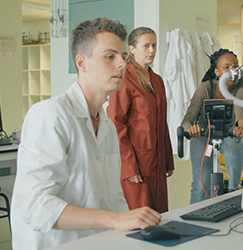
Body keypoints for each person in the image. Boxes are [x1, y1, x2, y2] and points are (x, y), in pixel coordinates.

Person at [11, 18, 161, 250]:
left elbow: (113, 198)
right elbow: (36, 208)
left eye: (124, 56)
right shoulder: (51, 115)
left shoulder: (107, 126)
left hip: (96, 242)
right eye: (110, 56)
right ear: (82, 63)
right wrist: (114, 219)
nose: (122, 64)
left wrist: (132, 227)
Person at [107, 27, 174, 213]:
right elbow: (115, 123)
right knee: (141, 218)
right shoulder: (124, 80)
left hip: (157, 161)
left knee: (160, 215)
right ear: (132, 49)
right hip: (136, 163)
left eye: (154, 45)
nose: (151, 50)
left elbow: (162, 122)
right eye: (146, 46)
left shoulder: (157, 80)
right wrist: (128, 166)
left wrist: (168, 158)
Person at [181, 49, 243, 204]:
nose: (233, 71)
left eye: (235, 66)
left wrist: (241, 126)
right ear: (217, 71)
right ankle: (196, 220)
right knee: (201, 184)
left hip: (229, 132)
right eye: (227, 67)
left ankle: (234, 192)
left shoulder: (242, 81)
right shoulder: (205, 88)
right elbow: (188, 118)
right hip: (204, 134)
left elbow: (240, 106)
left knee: (234, 146)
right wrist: (190, 129)